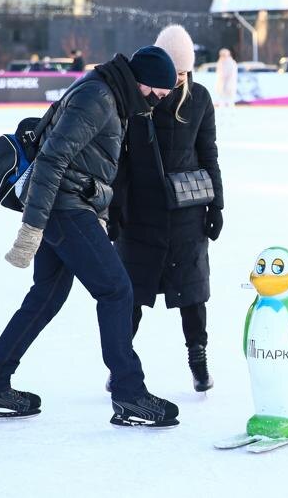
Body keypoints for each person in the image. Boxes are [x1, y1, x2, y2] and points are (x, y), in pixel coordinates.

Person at [0, 47, 183, 428]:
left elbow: (89, 165)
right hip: (63, 209)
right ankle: (130, 394)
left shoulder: (111, 95)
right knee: (117, 290)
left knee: (46, 297)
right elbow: (51, 160)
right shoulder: (98, 98)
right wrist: (31, 229)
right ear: (144, 84)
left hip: (70, 207)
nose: (159, 103)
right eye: (160, 95)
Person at [109, 25, 223, 393]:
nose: (174, 81)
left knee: (192, 293)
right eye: (170, 72)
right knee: (132, 295)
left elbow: (209, 154)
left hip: (186, 213)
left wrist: (216, 204)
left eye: (182, 73)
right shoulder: (137, 99)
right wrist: (115, 208)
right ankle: (121, 365)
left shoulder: (200, 99)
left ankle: (198, 358)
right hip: (140, 213)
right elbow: (120, 161)